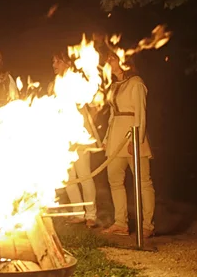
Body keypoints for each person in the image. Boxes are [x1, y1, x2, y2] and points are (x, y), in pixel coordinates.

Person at [101, 53, 155, 237]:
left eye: (112, 58)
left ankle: (147, 225)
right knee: (114, 180)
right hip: (116, 137)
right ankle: (120, 223)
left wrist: (137, 139)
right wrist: (107, 138)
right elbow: (112, 114)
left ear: (124, 62)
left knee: (143, 182)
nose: (109, 61)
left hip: (132, 133)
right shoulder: (113, 85)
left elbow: (141, 111)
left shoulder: (136, 82)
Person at [50, 52, 100, 228]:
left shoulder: (78, 81)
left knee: (84, 175)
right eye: (53, 61)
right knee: (68, 177)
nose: (54, 64)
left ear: (67, 62)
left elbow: (94, 107)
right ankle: (79, 212)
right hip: (62, 138)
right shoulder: (52, 85)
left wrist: (86, 123)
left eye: (57, 61)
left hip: (80, 136)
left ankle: (91, 214)